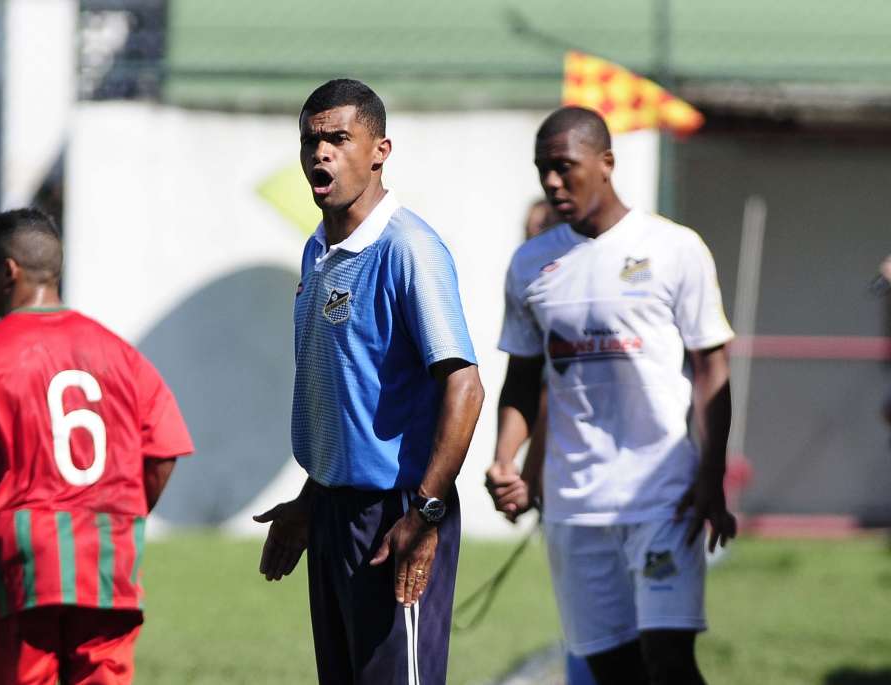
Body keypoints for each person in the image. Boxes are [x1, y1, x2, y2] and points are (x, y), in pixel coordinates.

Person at [486, 107, 737, 685]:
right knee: (612, 671)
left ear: (606, 163)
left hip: (663, 497)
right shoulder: (530, 264)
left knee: (669, 661)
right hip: (575, 505)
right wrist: (505, 460)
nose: (552, 182)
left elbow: (712, 369)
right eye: (542, 169)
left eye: (564, 166)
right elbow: (523, 377)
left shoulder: (674, 248)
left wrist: (711, 474)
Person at [253, 78, 484, 684]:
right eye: (311, 141)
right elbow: (348, 398)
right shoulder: (317, 252)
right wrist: (312, 500)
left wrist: (426, 514)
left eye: (338, 138)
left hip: (399, 512)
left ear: (380, 150)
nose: (321, 153)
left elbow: (465, 387)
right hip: (333, 510)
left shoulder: (408, 249)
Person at [0, 208, 193, 685]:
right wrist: (119, 518)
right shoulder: (120, 352)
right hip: (109, 559)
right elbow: (164, 452)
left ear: (8, 270)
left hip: (27, 562)